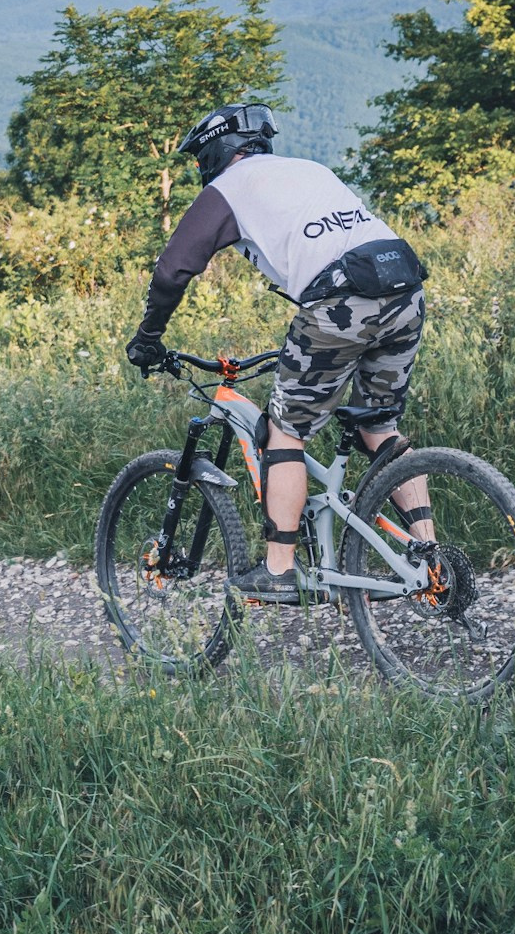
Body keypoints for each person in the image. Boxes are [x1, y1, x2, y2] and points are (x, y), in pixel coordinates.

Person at [124, 103, 431, 601]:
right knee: (379, 426)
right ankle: (431, 557)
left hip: (341, 300)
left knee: (285, 432)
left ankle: (281, 570)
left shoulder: (227, 187)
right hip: (404, 286)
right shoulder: (308, 170)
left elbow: (172, 270)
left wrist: (148, 339)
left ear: (213, 152)